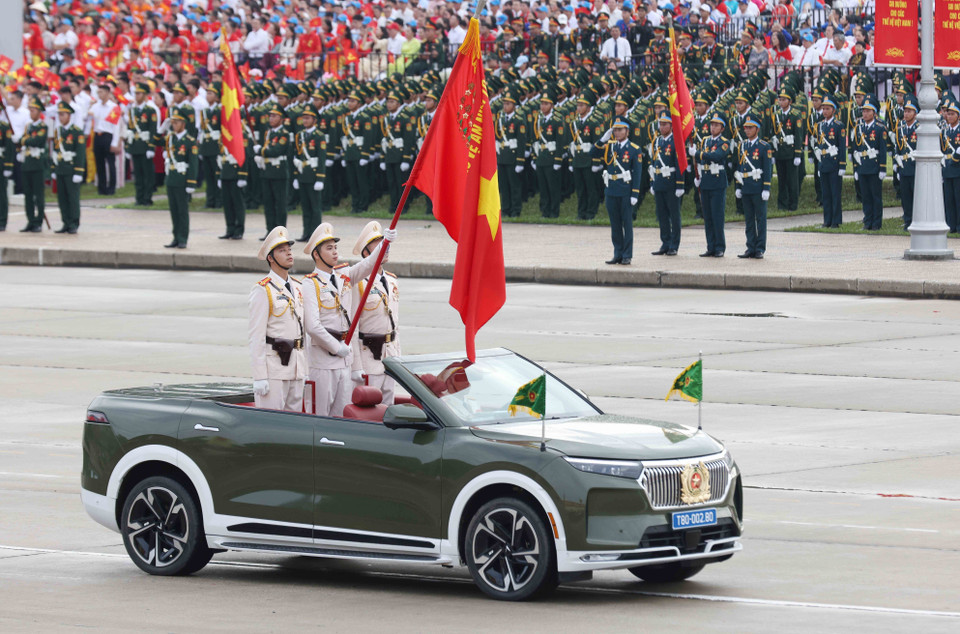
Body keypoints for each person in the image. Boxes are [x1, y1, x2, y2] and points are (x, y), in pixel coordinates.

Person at [301, 222, 396, 416]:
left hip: (344, 361)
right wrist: (337, 348)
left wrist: (384, 242)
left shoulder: (344, 275)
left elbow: (368, 264)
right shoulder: (310, 283)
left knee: (342, 415)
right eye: (329, 248)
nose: (335, 252)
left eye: (335, 247)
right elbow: (313, 326)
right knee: (320, 415)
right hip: (323, 361)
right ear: (316, 255)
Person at [249, 226, 306, 412]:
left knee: (294, 426)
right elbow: (256, 336)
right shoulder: (263, 289)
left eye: (289, 250)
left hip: (296, 367)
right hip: (273, 370)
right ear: (271, 258)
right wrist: (259, 376)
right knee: (270, 425)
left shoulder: (297, 287)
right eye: (282, 251)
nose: (289, 254)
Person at [352, 221, 401, 405]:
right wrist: (356, 366)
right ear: (366, 252)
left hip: (390, 357)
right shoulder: (359, 283)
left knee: (388, 408)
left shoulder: (392, 281)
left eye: (384, 241)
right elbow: (353, 328)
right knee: (369, 409)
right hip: (369, 358)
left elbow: (395, 324)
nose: (385, 246)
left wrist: (398, 357)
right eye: (377, 242)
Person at [595, 116, 642, 265]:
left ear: (627, 131)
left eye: (620, 129)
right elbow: (592, 154)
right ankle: (618, 253)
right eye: (615, 129)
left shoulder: (634, 149)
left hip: (625, 190)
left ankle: (627, 254)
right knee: (615, 224)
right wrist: (602, 140)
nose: (617, 132)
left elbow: (637, 173)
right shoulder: (609, 146)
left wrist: (635, 193)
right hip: (611, 190)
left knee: (626, 224)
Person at [734, 114, 772, 259]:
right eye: (746, 128)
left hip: (758, 187)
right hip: (746, 186)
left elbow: (767, 168)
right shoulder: (742, 145)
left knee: (760, 219)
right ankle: (750, 247)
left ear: (757, 129)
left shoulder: (764, 146)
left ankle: (760, 248)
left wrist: (766, 188)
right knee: (749, 219)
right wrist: (738, 186)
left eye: (750, 128)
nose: (747, 130)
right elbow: (740, 166)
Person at [695, 111, 730, 258]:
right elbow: (701, 161)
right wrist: (697, 175)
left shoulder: (724, 142)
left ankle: (719, 247)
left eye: (716, 125)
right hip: (706, 181)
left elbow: (717, 156)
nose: (713, 127)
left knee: (717, 216)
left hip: (717, 182)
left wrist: (699, 154)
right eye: (712, 124)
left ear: (722, 128)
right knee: (707, 217)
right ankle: (710, 246)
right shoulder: (705, 141)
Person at [650, 112, 685, 256]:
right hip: (659, 181)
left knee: (674, 215)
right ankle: (665, 242)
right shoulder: (657, 141)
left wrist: (680, 184)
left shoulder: (676, 141)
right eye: (660, 124)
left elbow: (680, 164)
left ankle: (674, 244)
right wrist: (653, 182)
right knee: (662, 214)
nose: (662, 127)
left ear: (671, 125)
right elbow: (653, 163)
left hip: (671, 182)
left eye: (665, 124)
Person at [850, 95, 886, 231]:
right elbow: (856, 150)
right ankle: (867, 220)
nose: (865, 113)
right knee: (865, 196)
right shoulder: (859, 128)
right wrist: (856, 169)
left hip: (874, 166)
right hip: (863, 167)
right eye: (863, 111)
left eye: (868, 111)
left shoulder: (879, 128)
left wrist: (882, 168)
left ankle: (876, 222)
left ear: (874, 112)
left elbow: (882, 150)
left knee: (875, 196)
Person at [163, 110, 198, 249]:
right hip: (171, 178)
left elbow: (193, 164)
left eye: (176, 122)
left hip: (182, 180)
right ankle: (175, 237)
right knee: (173, 210)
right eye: (172, 122)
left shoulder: (190, 141)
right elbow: (155, 140)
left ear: (183, 124)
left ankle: (183, 237)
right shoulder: (170, 139)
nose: (173, 125)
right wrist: (163, 127)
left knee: (182, 210)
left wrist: (191, 182)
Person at [51, 101, 86, 234]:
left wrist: (78, 171)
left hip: (71, 169)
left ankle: (74, 222)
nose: (61, 117)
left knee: (72, 197)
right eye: (59, 115)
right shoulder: (58, 131)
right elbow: (55, 151)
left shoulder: (76, 132)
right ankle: (65, 222)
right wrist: (54, 168)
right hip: (60, 168)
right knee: (62, 198)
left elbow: (80, 153)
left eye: (63, 114)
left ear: (69, 115)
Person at [257, 104, 291, 238]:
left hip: (279, 172)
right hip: (267, 171)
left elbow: (277, 150)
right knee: (268, 203)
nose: (271, 118)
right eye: (270, 116)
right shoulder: (268, 133)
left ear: (281, 119)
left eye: (274, 116)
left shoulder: (284, 134)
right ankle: (270, 230)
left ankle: (280, 231)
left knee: (280, 203)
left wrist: (261, 151)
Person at [293, 105, 326, 241]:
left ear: (314, 120)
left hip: (313, 176)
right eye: (303, 118)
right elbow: (297, 157)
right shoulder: (299, 135)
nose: (305, 121)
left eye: (307, 118)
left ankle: (316, 234)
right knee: (305, 207)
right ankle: (306, 233)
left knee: (315, 207)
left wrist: (320, 178)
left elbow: (322, 158)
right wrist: (296, 175)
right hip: (303, 175)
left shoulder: (319, 136)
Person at [570, 91, 604, 220]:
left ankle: (591, 212)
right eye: (578, 105)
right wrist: (571, 161)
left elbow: (597, 144)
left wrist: (596, 162)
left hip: (589, 160)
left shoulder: (594, 122)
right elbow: (573, 143)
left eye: (582, 105)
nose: (579, 108)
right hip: (578, 159)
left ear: (589, 106)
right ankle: (581, 212)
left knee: (591, 189)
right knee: (580, 189)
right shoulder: (575, 123)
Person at [768, 89, 803, 212]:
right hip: (779, 152)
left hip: (790, 152)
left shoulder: (795, 115)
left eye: (784, 99)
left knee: (792, 180)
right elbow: (772, 134)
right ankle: (782, 204)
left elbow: (798, 135)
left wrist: (798, 154)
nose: (781, 102)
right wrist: (772, 152)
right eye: (780, 99)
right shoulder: (775, 115)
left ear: (790, 101)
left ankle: (793, 204)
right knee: (781, 179)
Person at [495, 88, 527, 218]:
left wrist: (520, 160)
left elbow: (521, 141)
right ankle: (506, 208)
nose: (505, 106)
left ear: (514, 105)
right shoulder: (500, 119)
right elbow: (497, 138)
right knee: (504, 186)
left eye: (508, 104)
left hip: (513, 157)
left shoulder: (519, 120)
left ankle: (515, 210)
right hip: (502, 156)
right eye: (504, 103)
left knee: (514, 186)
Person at [534, 87, 566, 218]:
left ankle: (554, 211)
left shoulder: (557, 120)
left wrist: (558, 159)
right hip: (541, 157)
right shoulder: (539, 120)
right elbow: (535, 139)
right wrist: (534, 157)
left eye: (546, 103)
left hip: (552, 158)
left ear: (552, 105)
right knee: (543, 187)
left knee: (553, 188)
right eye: (542, 103)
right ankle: (545, 210)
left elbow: (560, 141)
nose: (543, 106)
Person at [815, 95, 846, 229]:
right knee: (825, 194)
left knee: (835, 193)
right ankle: (827, 220)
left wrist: (842, 165)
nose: (825, 111)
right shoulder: (820, 126)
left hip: (834, 164)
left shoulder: (838, 126)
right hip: (824, 163)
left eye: (827, 109)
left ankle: (836, 220)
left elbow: (842, 146)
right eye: (823, 109)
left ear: (833, 110)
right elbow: (820, 144)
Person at [126, 83, 158, 206]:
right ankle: (139, 197)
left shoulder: (150, 111)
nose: (136, 96)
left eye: (139, 94)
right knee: (138, 175)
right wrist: (128, 147)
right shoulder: (132, 111)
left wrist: (151, 147)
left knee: (147, 175)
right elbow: (130, 130)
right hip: (135, 145)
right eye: (136, 93)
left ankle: (147, 198)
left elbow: (152, 129)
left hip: (145, 146)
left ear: (144, 95)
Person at [19, 97, 48, 233]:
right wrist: (24, 140)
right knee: (28, 195)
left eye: (33, 110)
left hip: (37, 164)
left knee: (38, 195)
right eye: (30, 110)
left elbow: (38, 141)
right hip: (27, 163)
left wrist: (25, 140)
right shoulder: (28, 126)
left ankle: (38, 221)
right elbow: (21, 140)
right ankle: (30, 220)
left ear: (39, 111)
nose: (31, 112)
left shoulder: (44, 126)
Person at [88, 84, 121, 196]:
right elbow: (86, 117)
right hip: (98, 135)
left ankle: (112, 187)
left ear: (107, 93)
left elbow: (116, 126)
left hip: (108, 135)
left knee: (111, 163)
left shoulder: (113, 107)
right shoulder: (95, 106)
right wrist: (89, 107)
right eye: (98, 93)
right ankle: (101, 188)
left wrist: (114, 142)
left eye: (101, 92)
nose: (99, 95)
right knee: (99, 163)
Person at [218, 122, 248, 241]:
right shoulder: (224, 136)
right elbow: (219, 156)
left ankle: (239, 229)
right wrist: (218, 175)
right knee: (227, 204)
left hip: (236, 174)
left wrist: (242, 175)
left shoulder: (241, 136)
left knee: (238, 203)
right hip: (225, 173)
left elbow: (244, 156)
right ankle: (229, 229)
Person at [895, 95, 919, 229]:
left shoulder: (919, 128)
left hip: (915, 167)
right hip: (904, 167)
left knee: (916, 196)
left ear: (915, 113)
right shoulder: (901, 128)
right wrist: (897, 165)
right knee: (906, 197)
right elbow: (898, 148)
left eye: (909, 111)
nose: (906, 113)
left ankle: (916, 221)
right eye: (905, 111)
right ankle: (908, 220)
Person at [199, 83, 222, 209]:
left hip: (216, 146)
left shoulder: (220, 111)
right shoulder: (205, 112)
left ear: (217, 97)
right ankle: (210, 199)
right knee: (208, 176)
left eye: (210, 93)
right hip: (206, 147)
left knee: (216, 174)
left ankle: (218, 200)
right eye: (207, 93)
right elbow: (202, 130)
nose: (208, 96)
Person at [941, 97, 960, 234]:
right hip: (947, 168)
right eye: (948, 113)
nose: (950, 116)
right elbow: (942, 148)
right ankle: (951, 225)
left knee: (958, 199)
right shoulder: (945, 130)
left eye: (952, 114)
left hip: (957, 168)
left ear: (958, 115)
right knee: (949, 199)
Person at [0, 114, 13, 231]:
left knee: (1, 194)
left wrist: (8, 166)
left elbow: (9, 147)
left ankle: (2, 220)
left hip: (1, 162)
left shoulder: (4, 127)